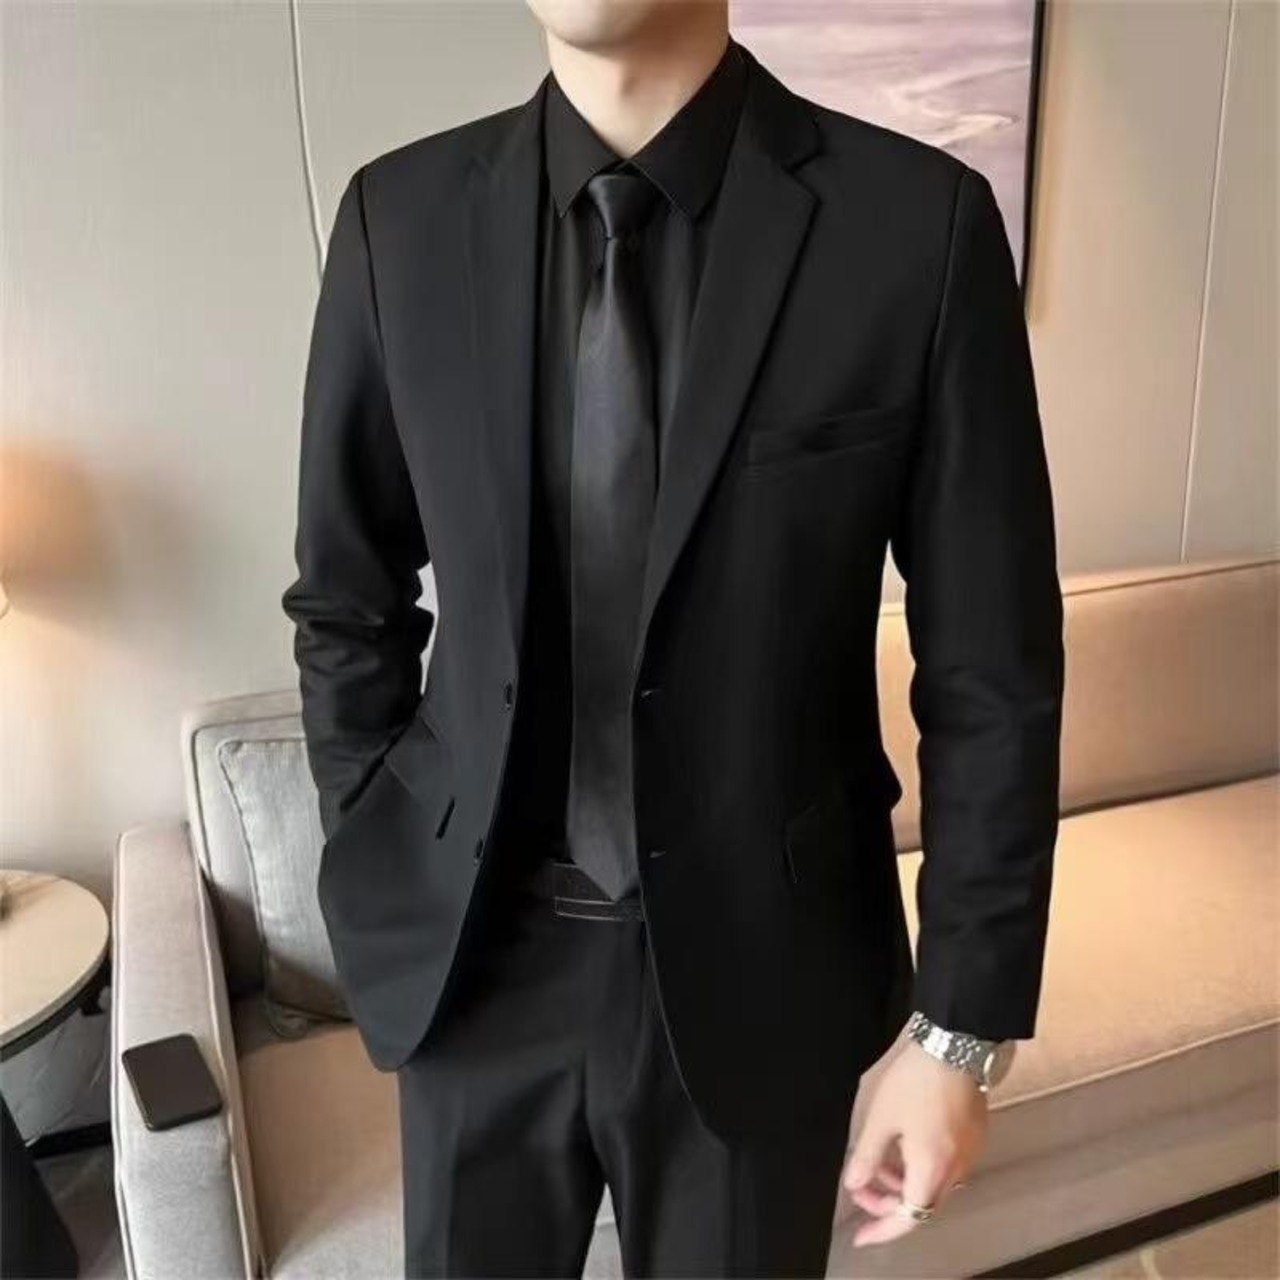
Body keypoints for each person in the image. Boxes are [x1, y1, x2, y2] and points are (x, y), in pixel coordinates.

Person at [281, 2, 1065, 1275]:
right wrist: (376, 840)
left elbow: (992, 664)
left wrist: (959, 1027)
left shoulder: (912, 228)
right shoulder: (398, 220)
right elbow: (345, 599)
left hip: (765, 969)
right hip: (473, 967)